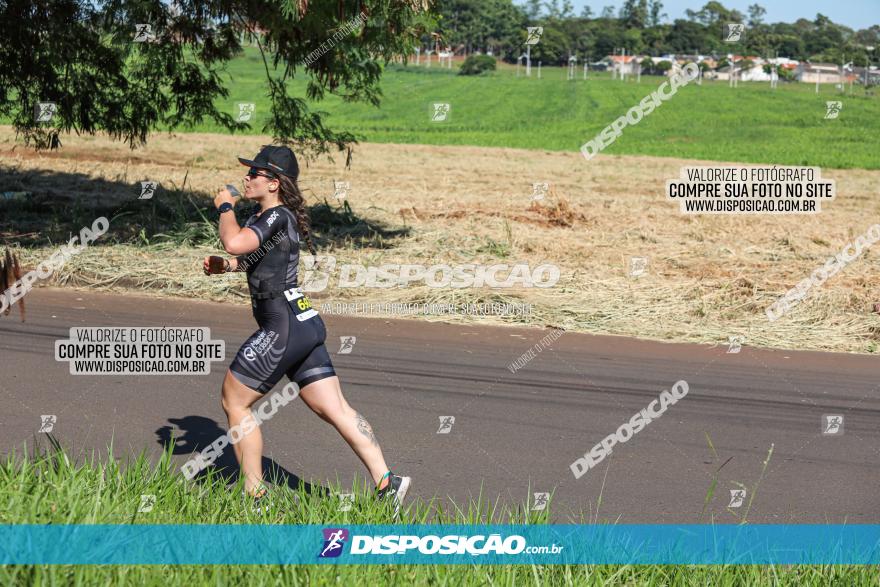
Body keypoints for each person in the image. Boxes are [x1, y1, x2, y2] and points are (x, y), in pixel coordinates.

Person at [203, 145, 411, 515]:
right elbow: (250, 257)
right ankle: (387, 482)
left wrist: (224, 207)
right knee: (333, 408)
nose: (247, 177)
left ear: (274, 182)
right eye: (248, 171)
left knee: (235, 402)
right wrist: (229, 267)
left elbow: (235, 240)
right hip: (304, 323)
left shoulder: (274, 216)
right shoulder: (272, 218)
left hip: (281, 325)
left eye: (255, 172)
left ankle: (255, 498)